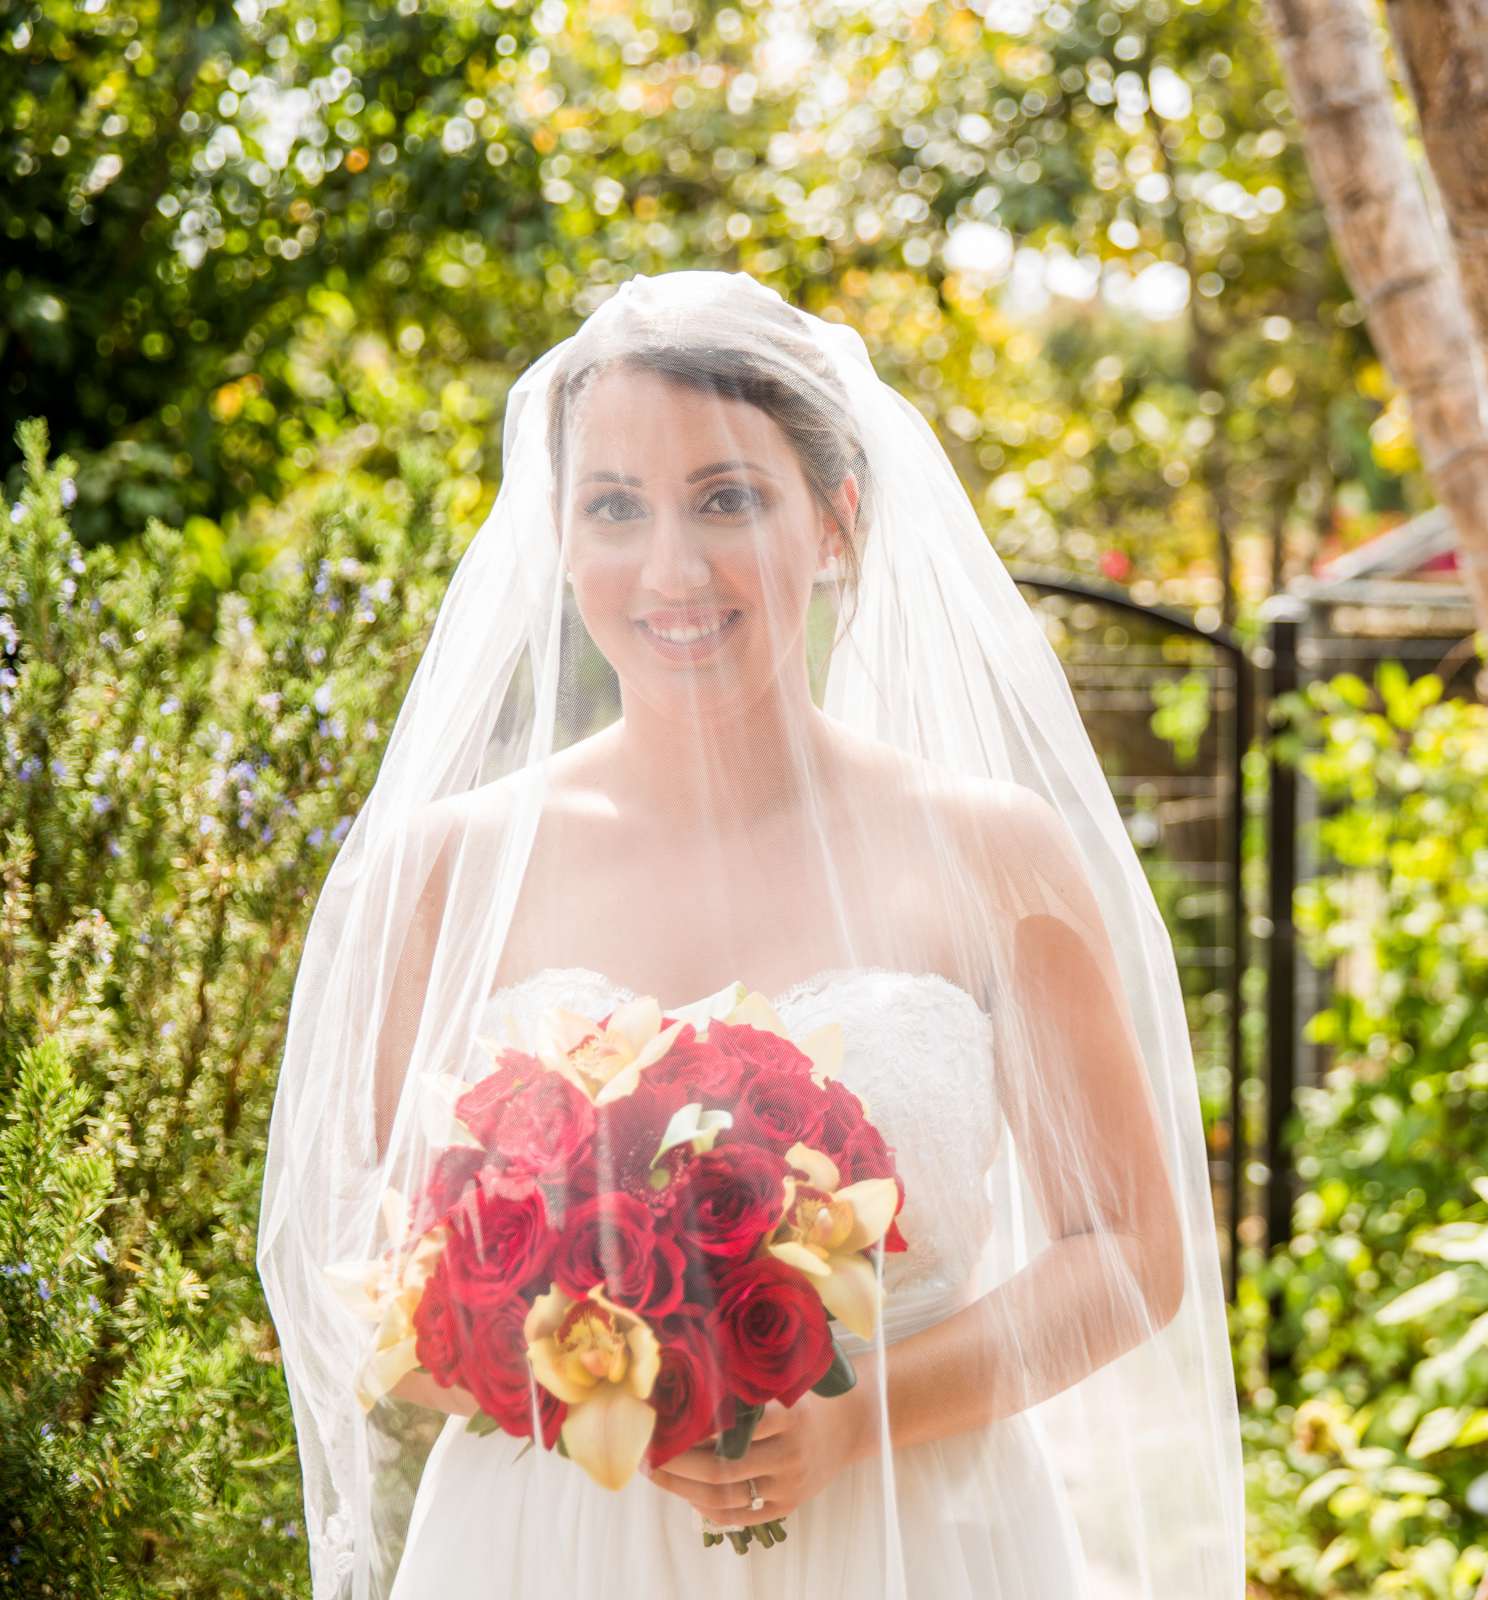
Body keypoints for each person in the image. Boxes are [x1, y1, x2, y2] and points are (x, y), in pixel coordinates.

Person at [256, 271, 1245, 1599]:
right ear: (560, 532)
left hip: (919, 1541)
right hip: (546, 1551)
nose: (670, 569)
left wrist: (858, 1413)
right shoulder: (448, 870)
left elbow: (1129, 1255)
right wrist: (588, 1374)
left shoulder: (991, 851)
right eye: (617, 507)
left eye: (727, 498)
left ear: (834, 521)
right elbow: (351, 1276)